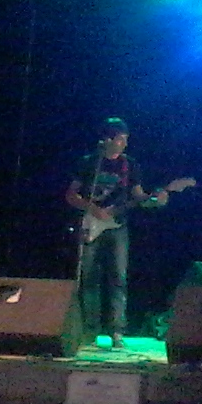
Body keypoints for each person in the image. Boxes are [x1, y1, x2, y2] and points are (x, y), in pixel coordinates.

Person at [65, 118, 171, 351]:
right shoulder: (89, 162)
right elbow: (71, 195)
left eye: (126, 139)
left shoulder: (129, 165)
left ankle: (116, 331)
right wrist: (93, 209)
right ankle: (90, 330)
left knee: (118, 278)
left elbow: (138, 195)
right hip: (91, 224)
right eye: (121, 139)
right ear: (108, 139)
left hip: (118, 226)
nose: (125, 144)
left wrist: (154, 200)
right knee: (88, 278)